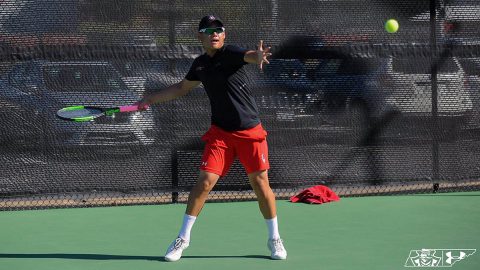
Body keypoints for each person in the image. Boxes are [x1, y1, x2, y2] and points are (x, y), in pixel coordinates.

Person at [137, 15, 287, 262]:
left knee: (261, 185)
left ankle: (274, 239)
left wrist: (257, 57)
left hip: (250, 132)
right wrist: (150, 99)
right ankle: (183, 239)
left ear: (224, 35)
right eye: (208, 31)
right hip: (221, 135)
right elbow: (180, 89)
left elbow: (248, 55)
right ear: (200, 36)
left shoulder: (231, 54)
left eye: (219, 30)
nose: (214, 34)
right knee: (204, 182)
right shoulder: (199, 65)